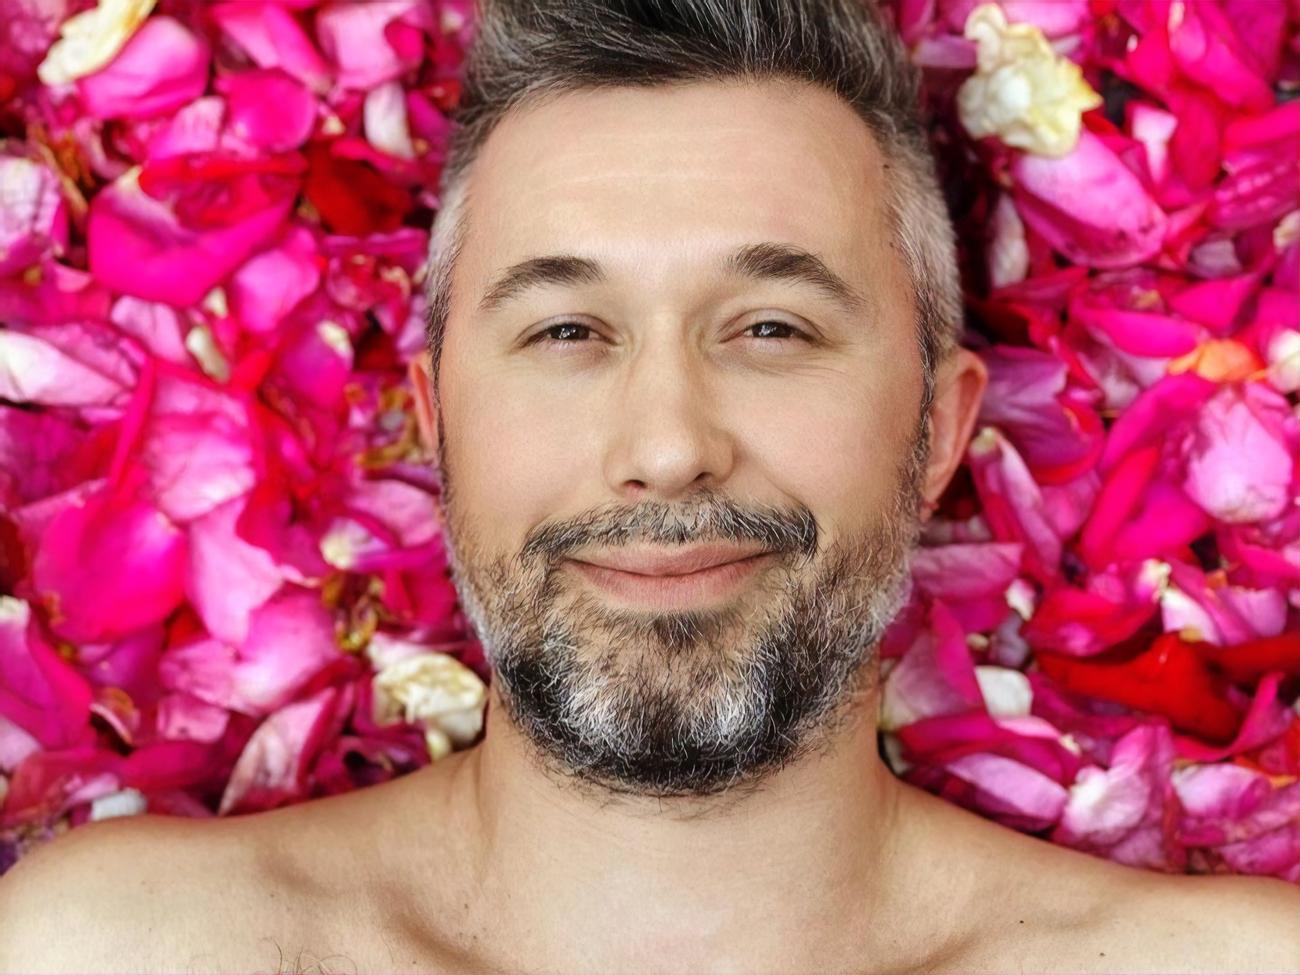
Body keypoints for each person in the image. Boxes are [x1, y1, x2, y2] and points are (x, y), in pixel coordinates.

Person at [3, 1, 1300, 972]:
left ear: (940, 429)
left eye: (772, 328)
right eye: (567, 331)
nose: (669, 445)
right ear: (437, 427)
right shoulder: (111, 952)